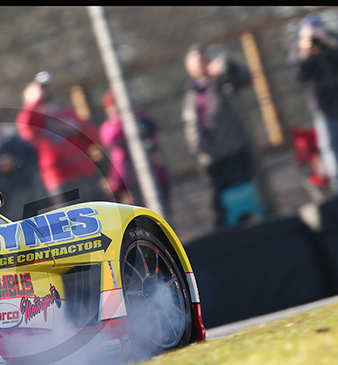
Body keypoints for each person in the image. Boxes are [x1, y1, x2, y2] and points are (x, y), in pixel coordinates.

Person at [182, 44, 259, 229]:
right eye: (196, 62)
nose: (201, 64)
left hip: (233, 151)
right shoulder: (191, 93)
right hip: (209, 159)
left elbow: (245, 77)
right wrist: (199, 150)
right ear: (189, 68)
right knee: (219, 203)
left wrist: (227, 65)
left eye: (203, 59)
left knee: (241, 198)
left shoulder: (222, 83)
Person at [16, 71, 108, 208]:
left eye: (46, 89)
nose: (45, 93)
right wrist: (34, 102)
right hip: (60, 178)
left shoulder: (64, 111)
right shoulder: (33, 117)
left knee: (101, 213)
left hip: (85, 172)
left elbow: (94, 139)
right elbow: (26, 131)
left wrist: (77, 128)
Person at [288, 14, 338, 193]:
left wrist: (330, 43)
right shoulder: (298, 48)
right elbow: (298, 77)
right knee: (333, 157)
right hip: (325, 112)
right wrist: (305, 53)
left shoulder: (335, 38)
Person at [99, 90, 171, 216]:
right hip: (127, 178)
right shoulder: (111, 125)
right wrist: (122, 118)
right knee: (134, 214)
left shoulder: (140, 116)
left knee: (162, 209)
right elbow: (110, 138)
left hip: (152, 170)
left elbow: (152, 132)